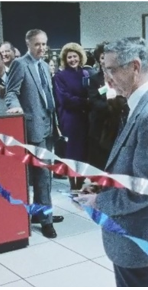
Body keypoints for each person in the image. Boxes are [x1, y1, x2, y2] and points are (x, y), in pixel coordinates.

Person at [75, 37, 148, 287]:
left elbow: (147, 188)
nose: (106, 78)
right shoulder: (141, 103)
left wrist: (98, 201)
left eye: (111, 69)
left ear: (134, 66)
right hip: (136, 227)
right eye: (103, 69)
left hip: (137, 229)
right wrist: (103, 185)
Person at [4, 29, 64, 238]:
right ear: (28, 44)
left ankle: (40, 213)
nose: (42, 48)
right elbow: (11, 92)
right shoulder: (20, 64)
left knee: (45, 174)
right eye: (37, 44)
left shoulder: (45, 66)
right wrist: (16, 108)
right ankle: (45, 219)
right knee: (42, 174)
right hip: (33, 127)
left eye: (44, 44)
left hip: (48, 125)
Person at [52, 43, 91, 192]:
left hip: (85, 118)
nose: (72, 59)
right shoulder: (59, 76)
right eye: (69, 57)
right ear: (65, 59)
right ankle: (73, 185)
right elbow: (64, 98)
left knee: (84, 152)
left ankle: (80, 183)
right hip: (70, 119)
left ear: (80, 57)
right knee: (71, 152)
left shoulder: (86, 74)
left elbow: (94, 92)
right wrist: (85, 102)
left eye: (75, 56)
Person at [84, 41, 124, 171]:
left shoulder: (121, 77)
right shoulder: (94, 79)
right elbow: (94, 102)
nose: (105, 61)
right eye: (102, 58)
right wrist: (112, 105)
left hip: (117, 126)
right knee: (99, 164)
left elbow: (124, 99)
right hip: (99, 128)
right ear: (98, 60)